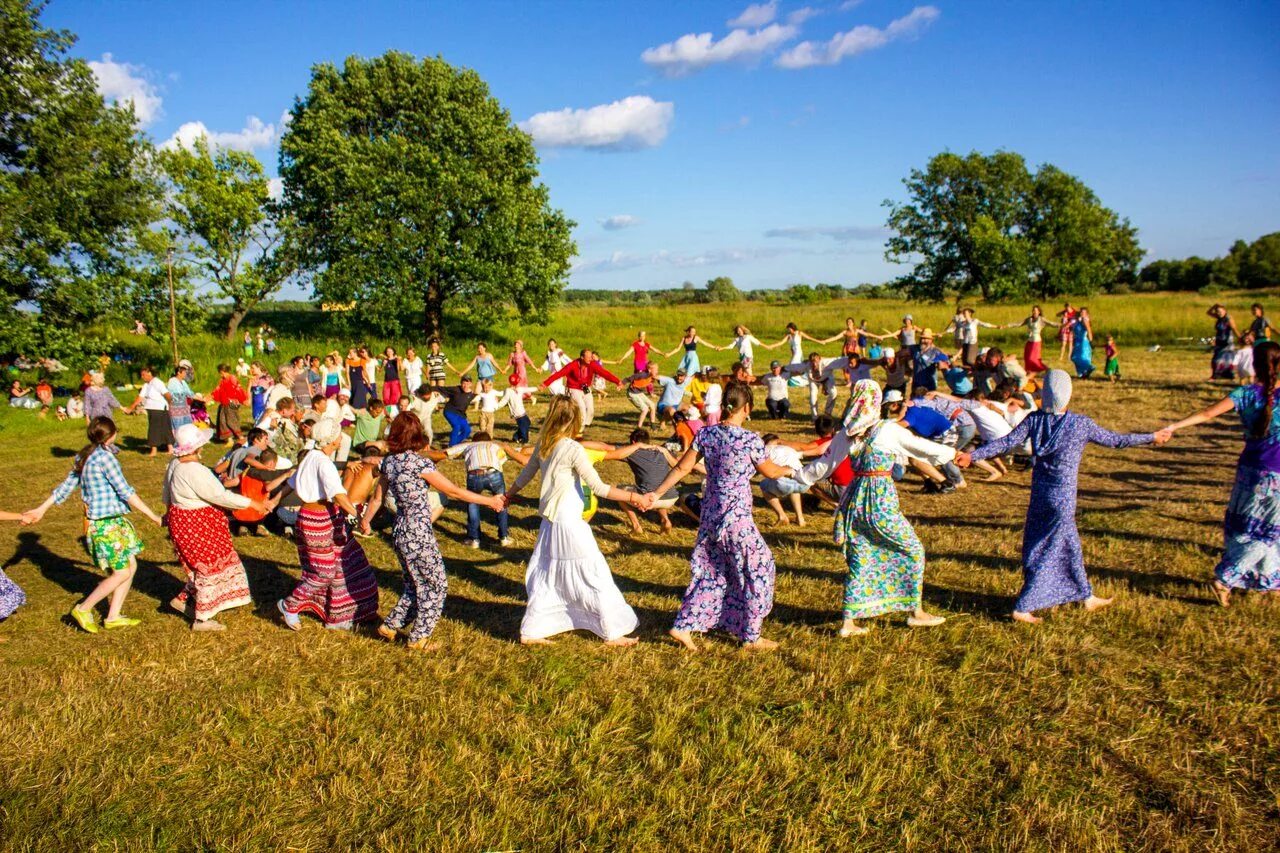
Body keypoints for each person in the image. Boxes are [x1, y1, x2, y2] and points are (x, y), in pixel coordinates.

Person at [959, 370, 1170, 623]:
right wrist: (1151, 437)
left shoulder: (1033, 420)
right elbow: (1116, 441)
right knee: (1048, 549)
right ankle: (1024, 605)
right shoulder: (1080, 424)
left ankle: (1086, 595)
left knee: (1068, 544)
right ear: (1068, 396)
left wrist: (973, 456)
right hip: (1063, 498)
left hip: (1039, 495)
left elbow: (1005, 443)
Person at [794, 381, 953, 634]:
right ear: (876, 402)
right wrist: (953, 455)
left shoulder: (846, 434)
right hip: (879, 500)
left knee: (861, 556)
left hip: (855, 499)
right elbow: (921, 449)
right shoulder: (886, 430)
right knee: (912, 549)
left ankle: (849, 622)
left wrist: (797, 475)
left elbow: (822, 467)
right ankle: (916, 611)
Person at [646, 381, 791, 652]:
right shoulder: (749, 440)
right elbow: (770, 472)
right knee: (760, 566)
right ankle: (751, 634)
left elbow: (681, 468)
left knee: (714, 570)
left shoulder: (707, 434)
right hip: (735, 518)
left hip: (710, 515)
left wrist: (656, 493)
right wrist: (790, 470)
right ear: (746, 408)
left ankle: (683, 625)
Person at [503, 395, 644, 646]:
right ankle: (611, 631)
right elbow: (599, 488)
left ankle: (533, 629)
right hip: (568, 521)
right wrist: (634, 497)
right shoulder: (572, 448)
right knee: (594, 573)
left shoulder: (545, 444)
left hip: (550, 522)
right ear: (574, 420)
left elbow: (526, 474)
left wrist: (508, 495)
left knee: (547, 574)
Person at [1163, 341, 1280, 605]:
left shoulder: (1245, 394)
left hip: (1249, 471)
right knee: (1269, 532)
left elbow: (1206, 414)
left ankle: (1269, 580)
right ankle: (1226, 578)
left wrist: (1173, 426)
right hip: (1277, 474)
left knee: (1247, 528)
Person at [375, 414, 505, 651]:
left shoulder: (389, 462)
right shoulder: (420, 464)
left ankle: (391, 625)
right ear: (417, 436)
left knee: (414, 583)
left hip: (400, 530)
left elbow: (377, 497)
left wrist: (364, 522)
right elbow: (454, 492)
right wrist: (489, 502)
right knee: (436, 585)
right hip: (419, 532)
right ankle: (418, 637)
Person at [24, 417, 164, 632]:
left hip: (109, 522)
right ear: (113, 434)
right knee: (122, 573)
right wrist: (152, 515)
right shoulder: (105, 458)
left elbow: (65, 486)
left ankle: (113, 616)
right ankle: (84, 608)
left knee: (131, 565)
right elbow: (125, 491)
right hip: (105, 524)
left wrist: (41, 508)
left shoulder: (85, 455)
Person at [161, 424, 269, 631]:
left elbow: (167, 491)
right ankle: (202, 618)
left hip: (183, 520)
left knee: (201, 567)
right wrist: (252, 503)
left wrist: (168, 512)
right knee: (208, 567)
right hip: (197, 524)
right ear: (198, 447)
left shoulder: (174, 464)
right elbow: (219, 495)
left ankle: (185, 600)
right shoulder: (194, 470)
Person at [277, 419, 380, 631]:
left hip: (327, 518)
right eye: (339, 435)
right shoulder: (322, 462)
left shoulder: (313, 456)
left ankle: (340, 615)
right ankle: (290, 604)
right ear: (333, 440)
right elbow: (339, 496)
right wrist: (360, 517)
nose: (341, 438)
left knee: (349, 563)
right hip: (317, 520)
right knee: (324, 572)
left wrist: (272, 501)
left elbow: (291, 481)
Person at [605, 429, 681, 534]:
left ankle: (636, 526)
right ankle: (665, 519)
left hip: (651, 498)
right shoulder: (661, 451)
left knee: (620, 491)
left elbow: (607, 448)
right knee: (657, 486)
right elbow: (678, 465)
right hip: (671, 496)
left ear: (633, 443)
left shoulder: (633, 451)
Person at [540, 349, 622, 428]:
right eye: (589, 357)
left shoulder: (592, 364)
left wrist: (617, 382)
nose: (591, 358)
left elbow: (604, 373)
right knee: (581, 407)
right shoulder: (573, 365)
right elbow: (559, 374)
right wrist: (545, 384)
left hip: (584, 387)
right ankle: (580, 427)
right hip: (573, 387)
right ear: (582, 357)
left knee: (590, 408)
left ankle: (584, 425)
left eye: (591, 356)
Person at [125, 365, 171, 456]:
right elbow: (140, 397)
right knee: (154, 429)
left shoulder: (157, 382)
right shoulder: (146, 385)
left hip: (160, 408)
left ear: (150, 373)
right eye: (141, 375)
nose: (142, 377)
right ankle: (154, 449)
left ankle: (168, 449)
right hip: (151, 409)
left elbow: (167, 394)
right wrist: (131, 407)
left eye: (143, 375)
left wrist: (171, 404)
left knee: (163, 428)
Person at [1008, 306, 1058, 373]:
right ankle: (1030, 371)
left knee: (1033, 358)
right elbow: (1019, 324)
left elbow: (1051, 324)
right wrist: (1007, 326)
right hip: (1029, 340)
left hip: (1036, 341)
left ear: (1039, 312)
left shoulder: (1041, 319)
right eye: (1033, 310)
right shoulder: (1029, 319)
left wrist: (1062, 325)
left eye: (1035, 310)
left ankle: (1046, 369)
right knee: (1027, 358)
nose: (1034, 312)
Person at [431, 375, 476, 447]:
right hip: (450, 411)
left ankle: (455, 443)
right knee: (457, 426)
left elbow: (483, 389)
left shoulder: (472, 394)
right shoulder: (455, 389)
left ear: (471, 384)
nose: (465, 385)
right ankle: (452, 446)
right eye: (463, 383)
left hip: (461, 414)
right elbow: (441, 388)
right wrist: (428, 388)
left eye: (467, 383)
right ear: (461, 383)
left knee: (467, 430)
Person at [209, 363, 248, 445]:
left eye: (220, 372)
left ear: (222, 371)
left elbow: (238, 389)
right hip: (224, 402)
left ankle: (240, 437)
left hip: (231, 402)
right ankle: (229, 439)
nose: (220, 374)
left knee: (231, 420)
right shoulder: (223, 380)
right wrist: (211, 396)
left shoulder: (232, 378)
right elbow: (218, 389)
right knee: (222, 420)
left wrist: (242, 399)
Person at [1208, 304, 1241, 381]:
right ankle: (1215, 375)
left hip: (1227, 342)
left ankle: (1228, 375)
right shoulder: (1219, 318)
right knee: (1215, 359)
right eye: (1217, 311)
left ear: (1225, 311)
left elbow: (1234, 328)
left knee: (1226, 360)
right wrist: (1215, 306)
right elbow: (1208, 312)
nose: (1219, 313)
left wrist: (1240, 338)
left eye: (1220, 311)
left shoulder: (1228, 318)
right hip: (1219, 342)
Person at [167, 360, 200, 432]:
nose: (185, 374)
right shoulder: (172, 381)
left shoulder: (183, 382)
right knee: (178, 427)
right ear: (179, 373)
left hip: (184, 408)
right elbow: (175, 394)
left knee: (186, 426)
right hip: (176, 408)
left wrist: (201, 399)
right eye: (184, 372)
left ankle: (186, 440)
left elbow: (189, 393)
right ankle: (177, 441)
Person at [623, 363, 659, 428]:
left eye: (657, 369)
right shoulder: (641, 375)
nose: (657, 371)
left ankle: (652, 424)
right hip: (632, 394)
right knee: (645, 409)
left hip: (639, 393)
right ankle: (639, 427)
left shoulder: (651, 377)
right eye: (655, 370)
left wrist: (651, 393)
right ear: (649, 370)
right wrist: (621, 384)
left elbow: (649, 384)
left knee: (652, 405)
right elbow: (629, 378)